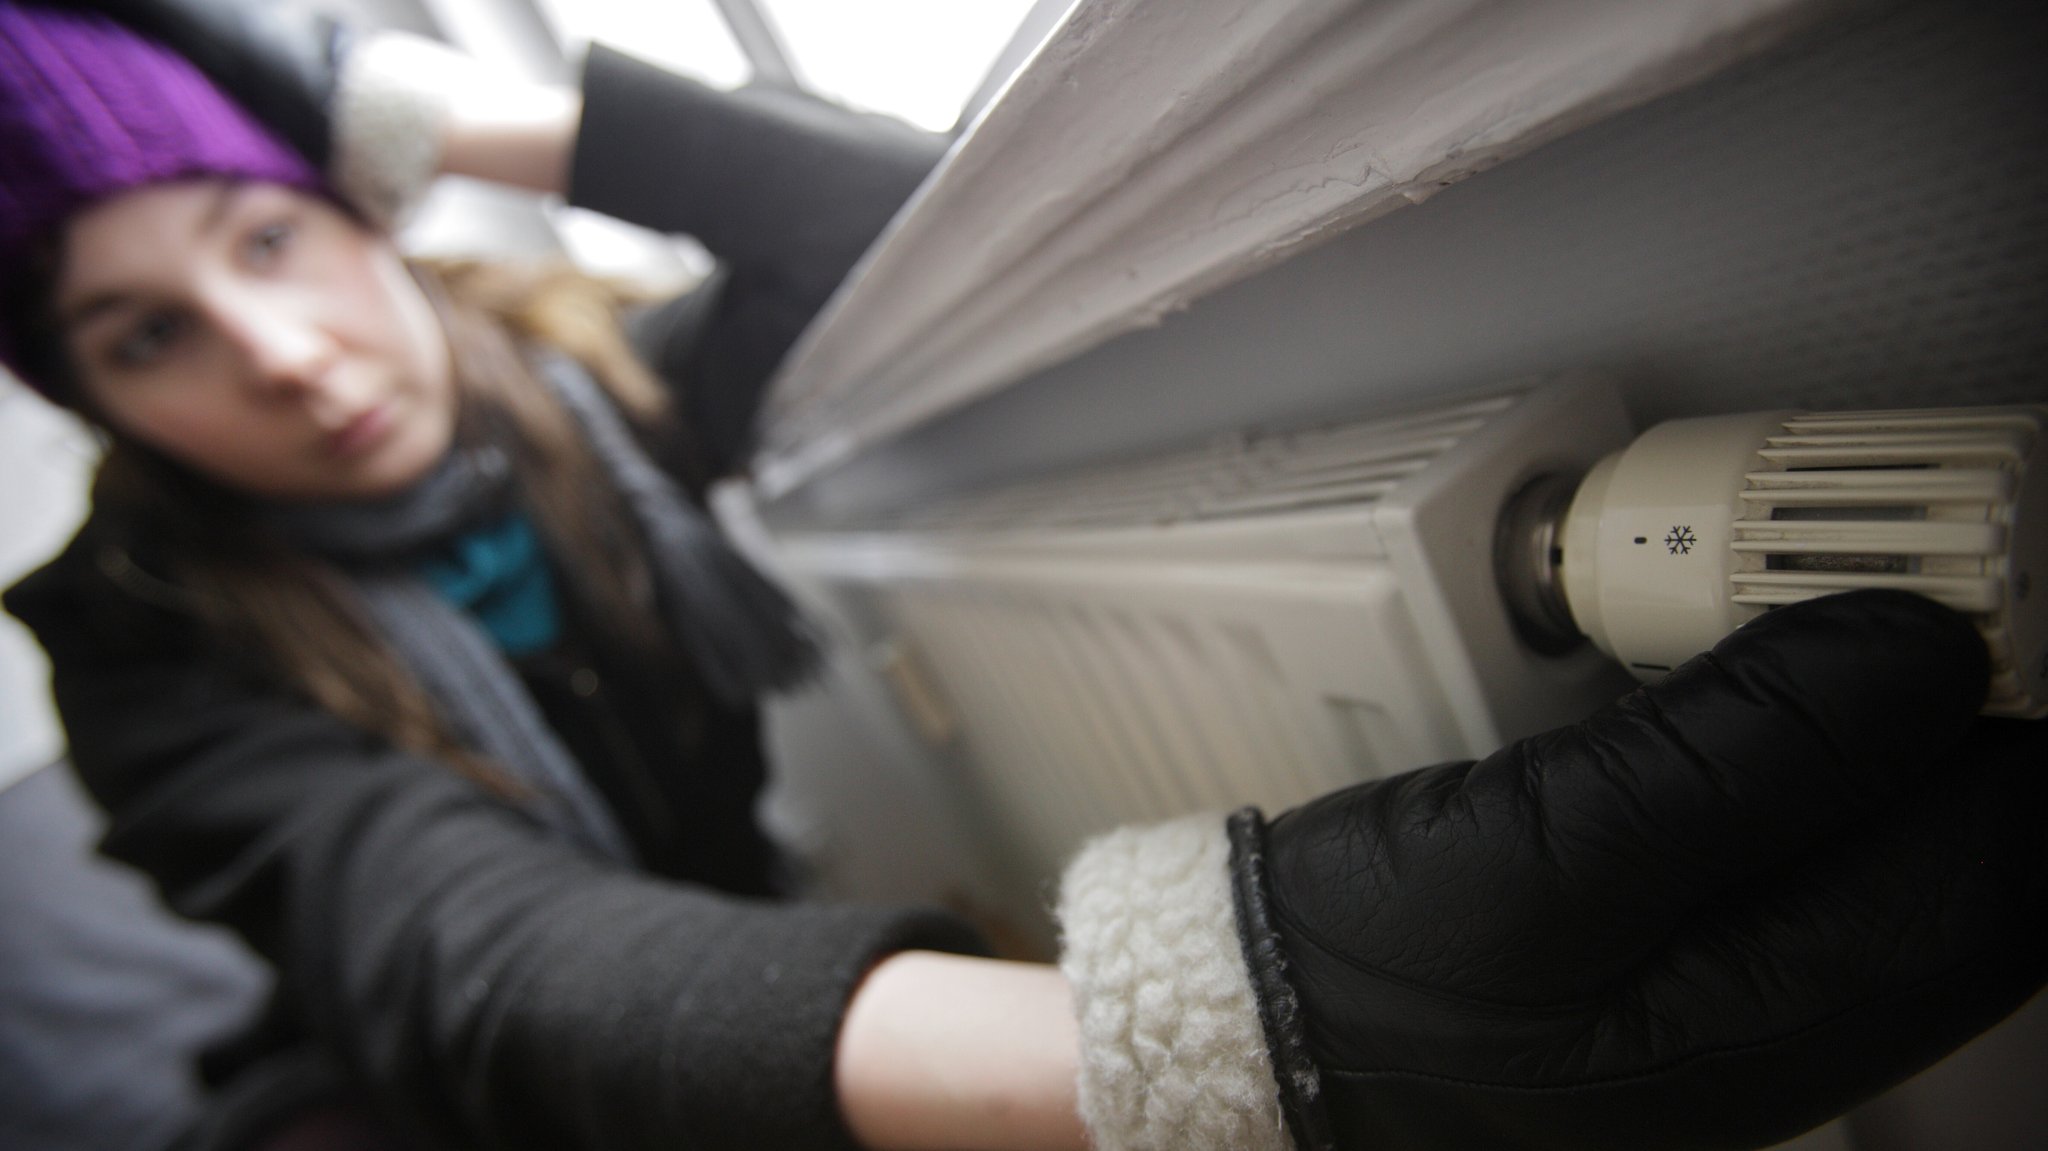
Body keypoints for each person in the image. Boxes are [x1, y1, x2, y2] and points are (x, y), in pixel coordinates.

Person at [0, 3, 2041, 1150]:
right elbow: (468, 950)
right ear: (95, 405)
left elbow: (899, 243)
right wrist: (1210, 1043)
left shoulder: (593, 390)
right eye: (140, 335)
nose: (272, 352)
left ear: (365, 211)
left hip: (700, 943)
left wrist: (449, 116)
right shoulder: (146, 647)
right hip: (409, 1080)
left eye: (262, 237)